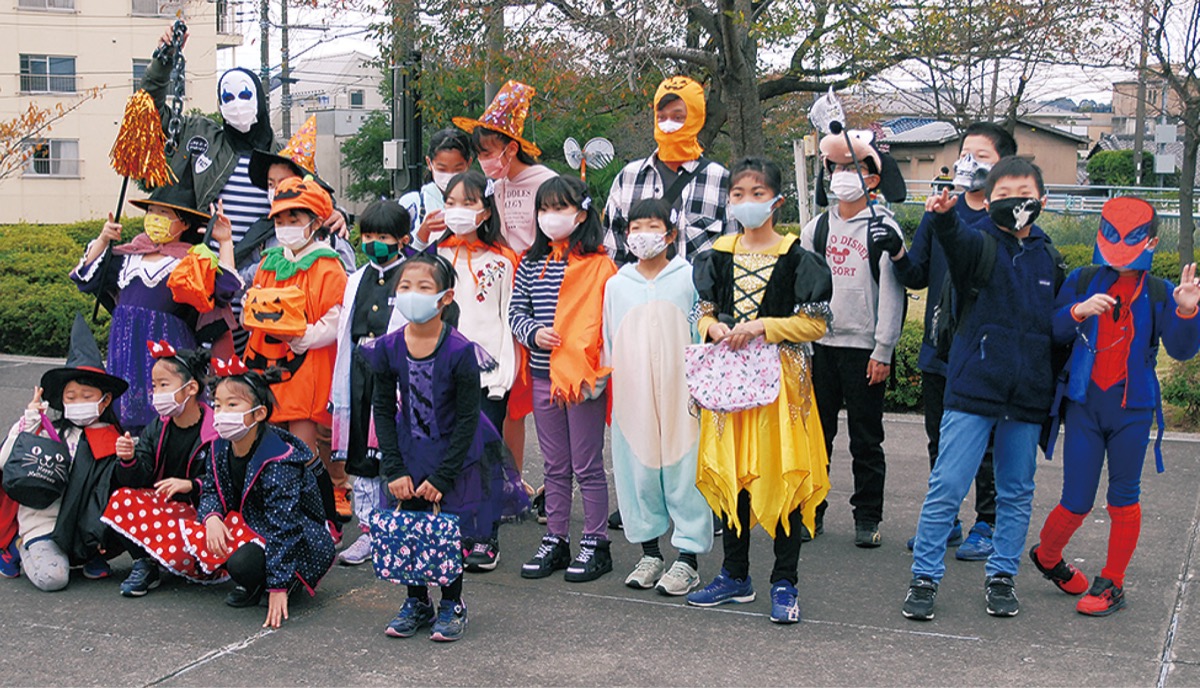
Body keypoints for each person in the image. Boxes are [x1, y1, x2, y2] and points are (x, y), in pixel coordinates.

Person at [903, 157, 1065, 621]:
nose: (1015, 201)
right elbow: (955, 242)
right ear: (989, 200)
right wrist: (942, 218)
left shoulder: (1050, 258)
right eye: (1004, 194)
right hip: (973, 387)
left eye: (1024, 193)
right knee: (947, 486)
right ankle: (924, 577)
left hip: (1027, 395)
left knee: (1016, 492)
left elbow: (1056, 326)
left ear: (1042, 199)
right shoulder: (978, 243)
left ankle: (1002, 576)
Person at [1029, 197, 1200, 616]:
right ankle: (1047, 555)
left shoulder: (1159, 291)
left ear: (1152, 241)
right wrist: (1078, 310)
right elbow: (1052, 330)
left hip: (1132, 410)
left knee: (1123, 498)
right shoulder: (1083, 280)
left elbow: (1181, 349)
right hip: (1084, 405)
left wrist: (1186, 309)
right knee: (1076, 499)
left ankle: (1113, 583)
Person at [684, 157, 832, 624]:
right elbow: (702, 310)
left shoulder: (797, 257)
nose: (746, 202)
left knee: (783, 475)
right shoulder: (716, 255)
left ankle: (785, 581)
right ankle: (734, 574)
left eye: (757, 193)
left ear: (776, 201)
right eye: (738, 194)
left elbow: (816, 324)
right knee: (734, 473)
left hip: (781, 386)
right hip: (729, 382)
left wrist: (764, 327)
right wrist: (712, 328)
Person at [363, 253, 527, 642]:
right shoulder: (388, 348)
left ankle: (452, 603)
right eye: (405, 286)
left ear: (445, 297)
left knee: (448, 528)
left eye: (424, 288)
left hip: (456, 455)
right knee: (411, 524)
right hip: (409, 451)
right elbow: (383, 409)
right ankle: (416, 600)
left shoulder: (459, 351)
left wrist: (443, 475)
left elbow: (469, 418)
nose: (412, 294)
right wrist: (394, 468)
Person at [890, 122, 1017, 560]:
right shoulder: (940, 210)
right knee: (939, 440)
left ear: (1003, 165)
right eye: (965, 153)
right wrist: (896, 252)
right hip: (940, 346)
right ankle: (945, 520)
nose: (969, 162)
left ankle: (988, 522)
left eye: (981, 156)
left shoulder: (1006, 222)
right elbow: (917, 274)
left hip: (985, 350)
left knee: (986, 444)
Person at [800, 128, 906, 548]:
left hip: (864, 350)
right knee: (816, 437)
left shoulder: (884, 229)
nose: (842, 176)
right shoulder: (816, 229)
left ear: (873, 178)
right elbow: (804, 290)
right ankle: (811, 511)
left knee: (866, 440)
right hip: (821, 348)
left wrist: (884, 349)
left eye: (853, 168)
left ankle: (867, 517)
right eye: (837, 168)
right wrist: (804, 342)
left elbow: (893, 293)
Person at [603, 198, 713, 595]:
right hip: (633, 393)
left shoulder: (689, 278)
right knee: (639, 468)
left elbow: (702, 333)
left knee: (685, 468)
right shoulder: (617, 285)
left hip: (683, 392)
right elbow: (609, 341)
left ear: (670, 234)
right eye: (635, 228)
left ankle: (688, 558)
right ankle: (650, 553)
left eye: (652, 227)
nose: (642, 235)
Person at [511, 175, 618, 583]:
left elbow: (609, 323)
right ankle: (556, 538)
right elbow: (515, 313)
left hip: (582, 380)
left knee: (587, 465)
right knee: (555, 466)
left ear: (582, 213)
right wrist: (533, 333)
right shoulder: (530, 263)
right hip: (542, 376)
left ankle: (596, 542)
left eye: (559, 208)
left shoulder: (600, 266)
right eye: (544, 208)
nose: (550, 216)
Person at [70, 185, 238, 433]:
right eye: (151, 211)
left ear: (184, 224)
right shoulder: (127, 257)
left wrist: (225, 242)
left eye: (164, 213)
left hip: (169, 347)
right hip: (125, 349)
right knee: (125, 413)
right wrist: (103, 239)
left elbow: (225, 288)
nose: (155, 217)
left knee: (169, 413)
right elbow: (85, 277)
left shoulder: (191, 261)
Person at [453, 80, 553, 496]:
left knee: (532, 394)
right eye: (480, 153)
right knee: (506, 394)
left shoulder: (544, 181)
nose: (484, 160)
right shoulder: (493, 187)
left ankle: (534, 482)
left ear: (512, 148)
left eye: (488, 151)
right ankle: (508, 480)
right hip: (499, 294)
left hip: (538, 296)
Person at [188, 356, 335, 628]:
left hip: (301, 539)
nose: (222, 413)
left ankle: (285, 579)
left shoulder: (278, 458)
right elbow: (211, 489)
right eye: (218, 405)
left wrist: (278, 586)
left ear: (259, 414)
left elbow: (285, 526)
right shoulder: (219, 447)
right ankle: (256, 579)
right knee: (197, 532)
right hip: (251, 524)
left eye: (232, 405)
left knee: (242, 564)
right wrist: (212, 517)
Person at [240, 177, 347, 541]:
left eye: (294, 219)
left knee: (303, 449)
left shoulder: (328, 266)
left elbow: (335, 318)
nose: (285, 226)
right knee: (269, 446)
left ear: (315, 221)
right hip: (267, 365)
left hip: (306, 367)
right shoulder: (269, 262)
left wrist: (303, 338)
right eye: (280, 220)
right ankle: (276, 518)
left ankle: (320, 520)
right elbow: (256, 304)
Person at [0, 315, 129, 590]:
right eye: (71, 397)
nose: (78, 402)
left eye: (87, 396)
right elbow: (5, 462)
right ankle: (20, 545)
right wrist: (29, 419)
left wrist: (129, 459)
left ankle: (86, 552)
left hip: (84, 527)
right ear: (62, 399)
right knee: (53, 578)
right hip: (44, 524)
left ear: (105, 399)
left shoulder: (115, 437)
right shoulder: (47, 432)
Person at [436, 171, 521, 571]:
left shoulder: (503, 261)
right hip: (441, 375)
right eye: (451, 203)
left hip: (487, 377)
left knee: (484, 457)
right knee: (448, 456)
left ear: (486, 211)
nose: (458, 211)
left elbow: (507, 321)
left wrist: (503, 376)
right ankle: (456, 531)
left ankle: (486, 536)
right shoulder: (436, 257)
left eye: (468, 203)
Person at [329, 200, 414, 566]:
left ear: (403, 239)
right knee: (363, 451)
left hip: (397, 374)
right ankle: (368, 531)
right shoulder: (356, 278)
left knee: (394, 451)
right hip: (360, 371)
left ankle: (399, 525)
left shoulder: (414, 274)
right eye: (368, 236)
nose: (374, 243)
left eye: (383, 237)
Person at [101, 342, 217, 596]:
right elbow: (138, 478)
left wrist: (192, 485)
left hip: (200, 516)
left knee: (201, 545)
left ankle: (171, 557)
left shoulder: (215, 430)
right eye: (154, 386)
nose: (156, 393)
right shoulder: (158, 426)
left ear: (191, 388)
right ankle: (145, 562)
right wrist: (129, 459)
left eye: (164, 385)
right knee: (120, 499)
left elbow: (225, 483)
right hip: (164, 510)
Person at [602, 75, 733, 266]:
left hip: (697, 286)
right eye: (661, 117)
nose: (668, 125)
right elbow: (612, 254)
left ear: (696, 118)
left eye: (678, 117)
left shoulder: (721, 181)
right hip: (636, 284)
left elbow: (732, 257)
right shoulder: (628, 178)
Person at [403, 127, 474, 251]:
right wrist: (422, 234)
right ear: (429, 163)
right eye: (442, 169)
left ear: (468, 164)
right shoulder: (414, 203)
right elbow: (400, 254)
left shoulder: (479, 200)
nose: (450, 175)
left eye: (457, 169)